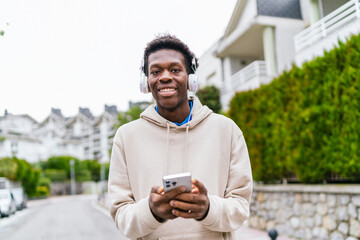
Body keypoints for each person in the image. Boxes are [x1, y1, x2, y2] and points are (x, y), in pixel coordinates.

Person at [108, 34, 253, 240]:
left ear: (191, 78)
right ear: (146, 82)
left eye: (175, 70)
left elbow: (240, 208)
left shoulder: (226, 130)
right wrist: (151, 211)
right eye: (156, 71)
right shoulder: (125, 137)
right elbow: (121, 217)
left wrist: (208, 208)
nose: (165, 77)